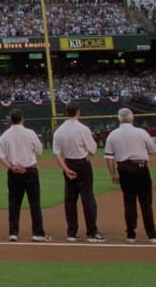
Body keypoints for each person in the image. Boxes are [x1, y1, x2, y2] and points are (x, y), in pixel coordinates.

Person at [103, 108, 156, 244]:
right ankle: (152, 234)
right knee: (146, 203)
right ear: (132, 118)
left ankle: (131, 234)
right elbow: (153, 150)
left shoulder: (113, 134)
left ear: (119, 119)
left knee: (129, 202)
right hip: (140, 167)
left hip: (123, 169)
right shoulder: (141, 132)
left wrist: (113, 174)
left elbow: (108, 157)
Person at [53, 103, 104, 242]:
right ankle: (92, 232)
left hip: (68, 163)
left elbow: (56, 153)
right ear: (77, 112)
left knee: (70, 199)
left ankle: (72, 232)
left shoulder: (59, 131)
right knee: (88, 198)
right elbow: (93, 150)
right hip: (82, 164)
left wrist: (65, 168)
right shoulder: (83, 128)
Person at [0, 109, 49, 242]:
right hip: (29, 170)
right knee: (34, 203)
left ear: (10, 120)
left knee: (14, 203)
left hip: (13, 171)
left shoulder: (4, 135)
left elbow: (0, 156)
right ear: (22, 119)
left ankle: (13, 232)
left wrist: (11, 166)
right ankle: (37, 233)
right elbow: (39, 151)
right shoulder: (30, 133)